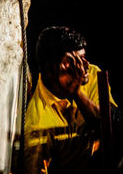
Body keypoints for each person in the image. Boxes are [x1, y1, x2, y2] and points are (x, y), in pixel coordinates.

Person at [24, 26, 119, 173]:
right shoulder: (36, 122)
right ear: (50, 71)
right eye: (75, 61)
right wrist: (75, 91)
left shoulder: (92, 75)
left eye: (84, 57)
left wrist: (77, 94)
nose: (84, 65)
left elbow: (114, 127)